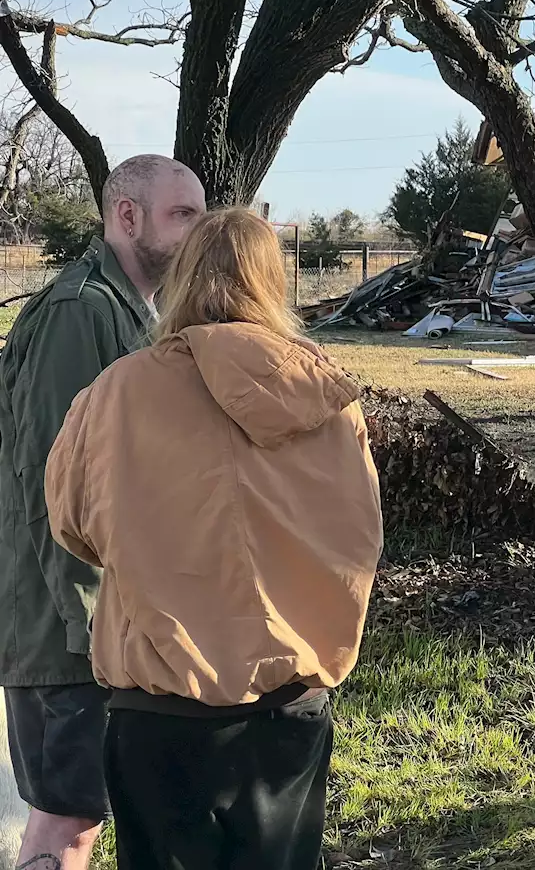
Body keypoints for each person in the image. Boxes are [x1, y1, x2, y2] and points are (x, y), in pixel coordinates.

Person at [44, 207, 383, 870]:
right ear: (272, 282)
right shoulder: (327, 396)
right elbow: (360, 533)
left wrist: (151, 553)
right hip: (288, 703)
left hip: (158, 705)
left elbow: (71, 520)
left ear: (184, 276)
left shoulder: (118, 390)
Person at [0, 155, 206, 870]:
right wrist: (87, 628)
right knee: (66, 827)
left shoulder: (132, 311)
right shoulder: (78, 310)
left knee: (83, 815)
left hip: (106, 620)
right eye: (182, 214)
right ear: (126, 215)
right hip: (65, 632)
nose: (197, 229)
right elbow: (48, 486)